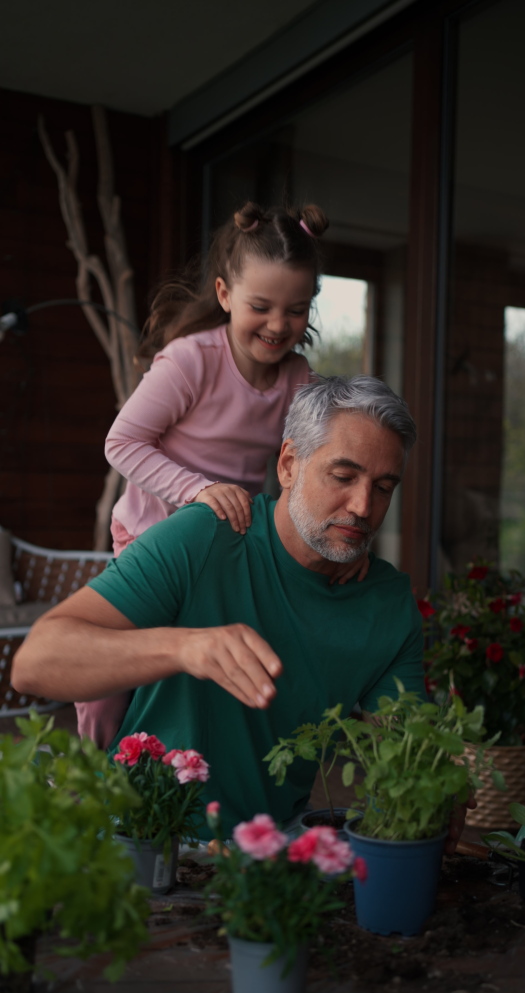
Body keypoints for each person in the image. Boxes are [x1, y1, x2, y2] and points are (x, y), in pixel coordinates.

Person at [12, 375, 471, 847]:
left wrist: (441, 778)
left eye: (383, 487)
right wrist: (185, 647)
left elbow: (408, 747)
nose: (362, 506)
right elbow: (34, 664)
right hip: (141, 834)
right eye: (343, 477)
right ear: (290, 464)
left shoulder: (388, 601)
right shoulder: (206, 537)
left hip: (273, 844)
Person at [78, 201, 367, 746]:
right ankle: (98, 776)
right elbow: (122, 442)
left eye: (297, 309)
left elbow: (308, 465)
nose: (279, 325)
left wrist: (339, 534)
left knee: (210, 675)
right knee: (114, 680)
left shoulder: (297, 377)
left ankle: (191, 789)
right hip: (150, 540)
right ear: (224, 294)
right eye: (261, 306)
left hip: (227, 547)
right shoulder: (191, 360)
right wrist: (199, 489)